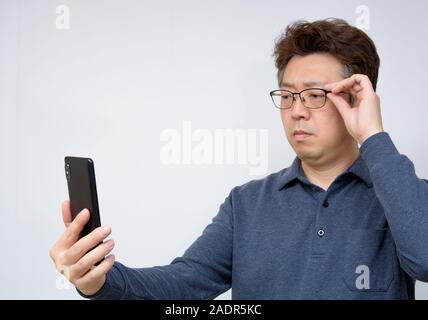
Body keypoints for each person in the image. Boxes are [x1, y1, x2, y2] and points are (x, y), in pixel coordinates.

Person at [49, 18, 428, 299]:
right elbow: (182, 285)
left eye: (315, 95)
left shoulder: (401, 193)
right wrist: (100, 279)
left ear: (355, 100)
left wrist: (373, 136)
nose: (297, 110)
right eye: (287, 95)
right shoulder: (246, 203)